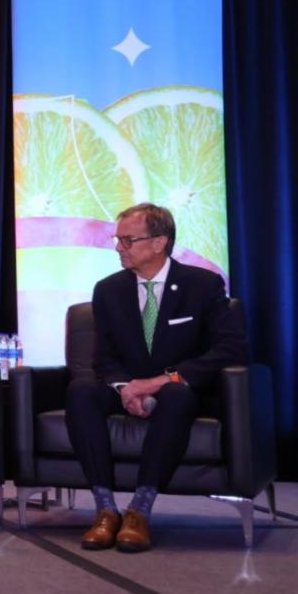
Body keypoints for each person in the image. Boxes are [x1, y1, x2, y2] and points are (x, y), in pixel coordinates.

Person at [66, 203, 247, 553]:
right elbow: (104, 358)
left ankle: (140, 510)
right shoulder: (108, 290)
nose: (119, 248)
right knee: (81, 390)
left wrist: (159, 382)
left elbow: (231, 350)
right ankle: (106, 509)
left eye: (128, 240)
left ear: (159, 242)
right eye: (117, 240)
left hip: (180, 387)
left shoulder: (202, 285)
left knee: (177, 395)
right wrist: (126, 389)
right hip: (128, 384)